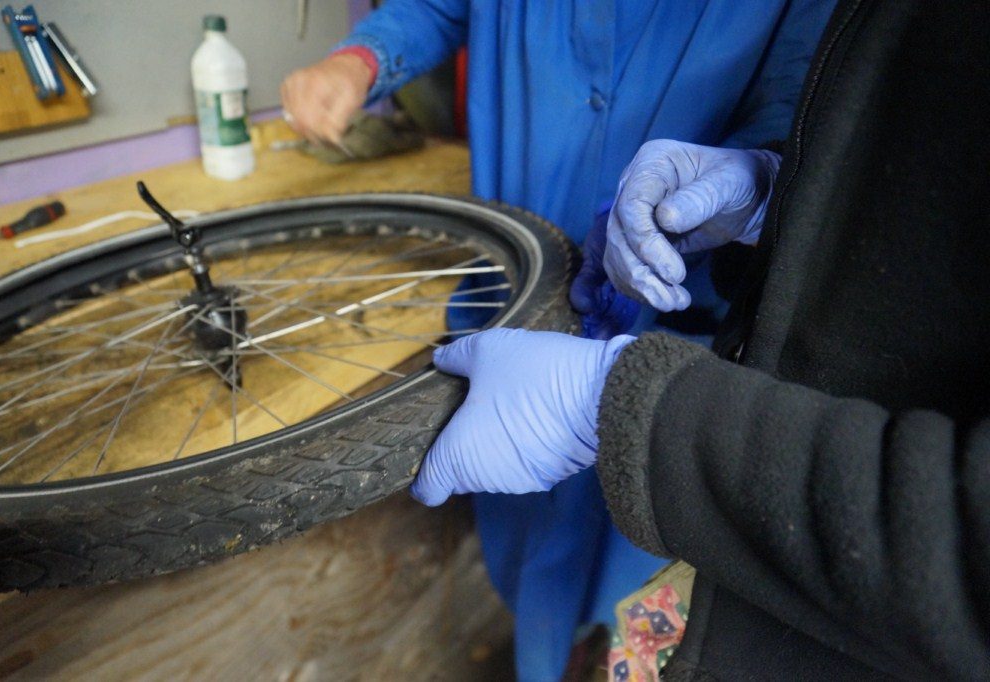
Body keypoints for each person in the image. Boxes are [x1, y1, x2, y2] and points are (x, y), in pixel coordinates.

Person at [411, 0, 990, 678]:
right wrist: (782, 197)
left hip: (788, 556)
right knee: (530, 571)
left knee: (617, 587)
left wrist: (640, 411)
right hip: (731, 460)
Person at [282, 2, 836, 678]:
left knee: (640, 592)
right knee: (525, 560)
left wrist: (754, 178)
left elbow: (802, 96)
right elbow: (437, 6)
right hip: (512, 304)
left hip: (672, 317)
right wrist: (361, 58)